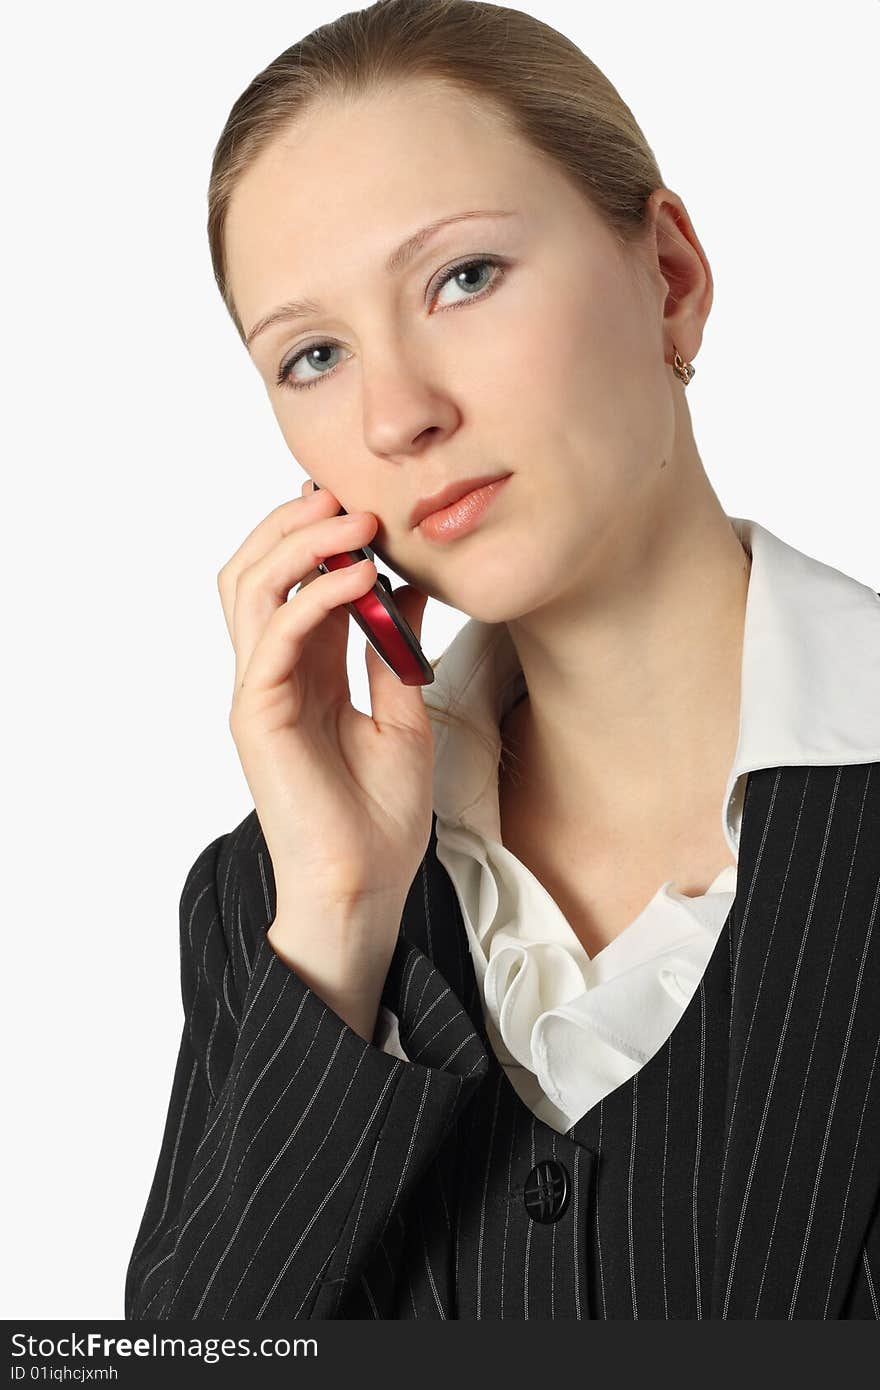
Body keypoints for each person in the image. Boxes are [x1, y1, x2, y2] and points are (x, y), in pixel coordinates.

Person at [124, 0, 880, 1320]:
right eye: (313, 354)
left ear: (671, 277)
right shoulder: (274, 899)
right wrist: (338, 925)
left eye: (462, 278)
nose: (401, 413)